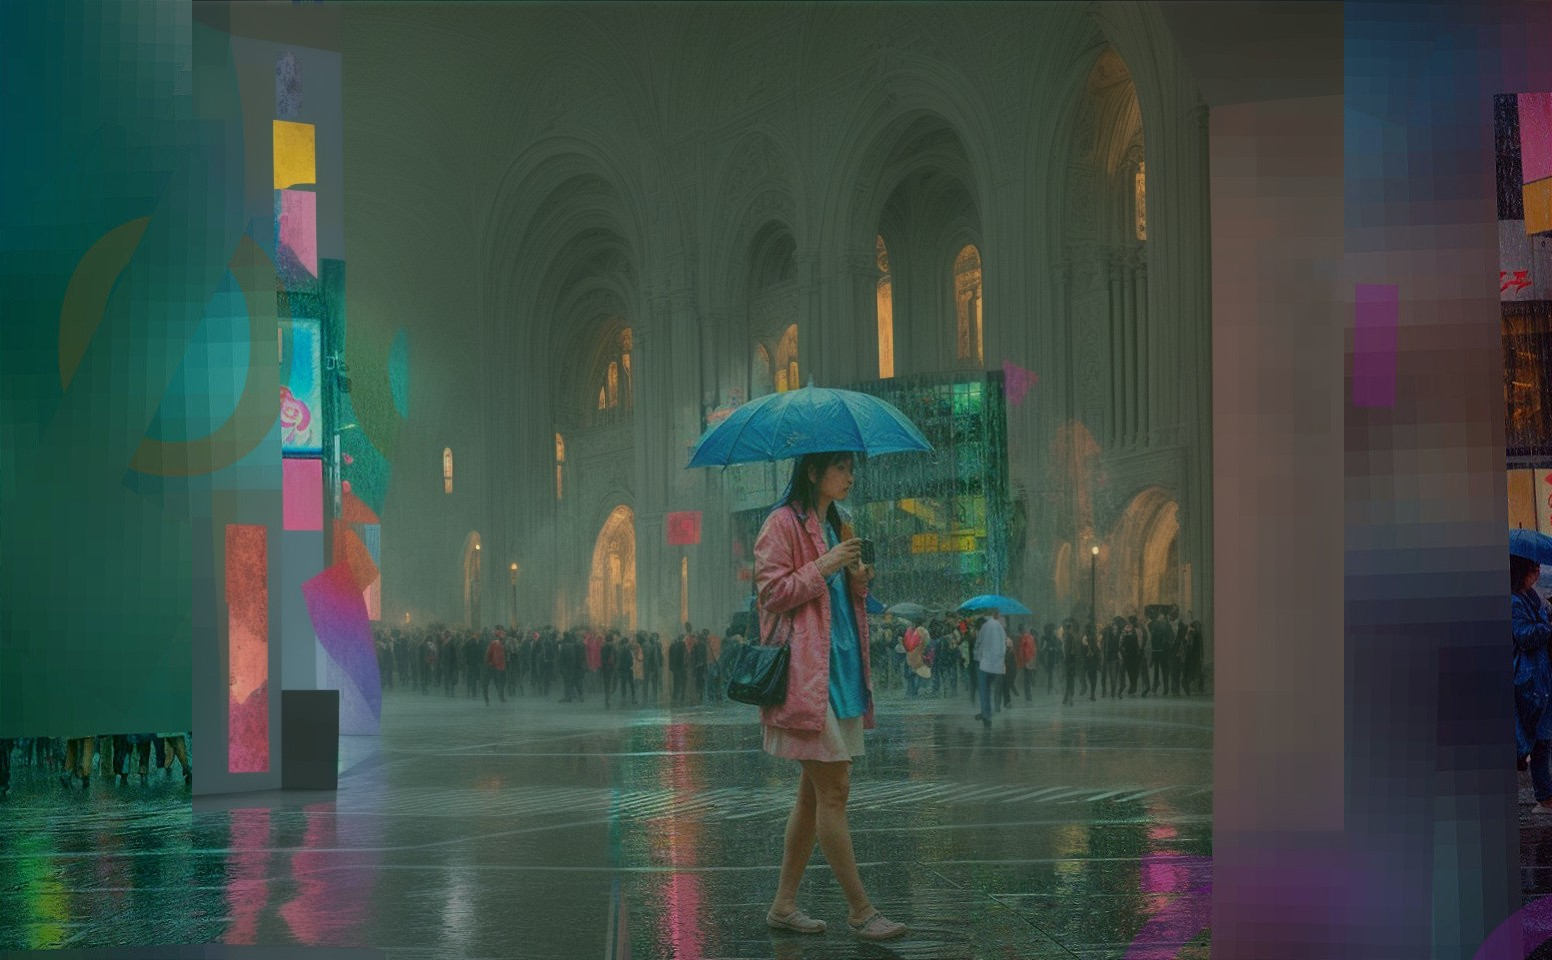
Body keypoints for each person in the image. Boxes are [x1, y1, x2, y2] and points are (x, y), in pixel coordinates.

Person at [755, 451, 905, 941]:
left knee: (812, 796)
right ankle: (861, 911)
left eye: (851, 468)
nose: (850, 476)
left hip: (840, 671)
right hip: (806, 676)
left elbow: (840, 600)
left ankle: (783, 905)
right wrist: (825, 565)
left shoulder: (841, 522)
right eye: (841, 467)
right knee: (834, 791)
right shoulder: (781, 524)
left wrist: (858, 584)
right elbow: (771, 593)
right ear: (814, 471)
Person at [1514, 552, 1552, 812]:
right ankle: (1544, 796)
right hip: (1528, 677)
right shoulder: (1514, 601)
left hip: (1540, 673)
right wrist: (1548, 625)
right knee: (1538, 737)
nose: (1537, 572)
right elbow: (1524, 636)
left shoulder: (1531, 595)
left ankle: (1545, 796)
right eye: (1532, 568)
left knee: (1542, 737)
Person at [973, 609, 1007, 728]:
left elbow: (978, 646)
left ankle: (986, 715)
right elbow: (1004, 646)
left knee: (984, 690)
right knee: (992, 689)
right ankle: (987, 712)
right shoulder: (1000, 628)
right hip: (997, 665)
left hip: (984, 664)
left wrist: (977, 654)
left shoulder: (984, 628)